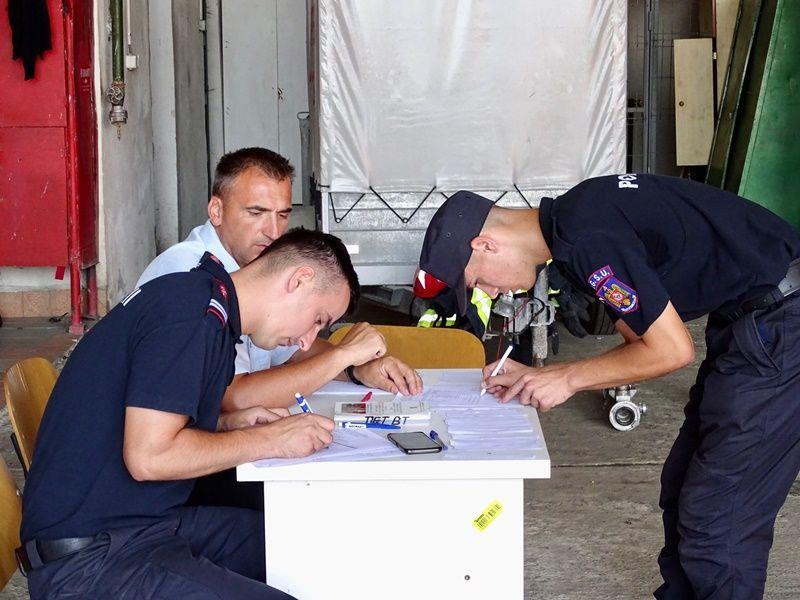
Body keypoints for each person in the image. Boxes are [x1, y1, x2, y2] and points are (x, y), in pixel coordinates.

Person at [415, 175, 800, 600]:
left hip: (783, 321)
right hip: (756, 322)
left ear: (485, 245)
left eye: (477, 283)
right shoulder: (574, 230)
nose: (490, 293)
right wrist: (542, 376)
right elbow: (641, 343)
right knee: (684, 491)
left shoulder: (586, 236)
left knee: (720, 518)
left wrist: (565, 378)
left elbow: (671, 351)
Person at [19, 229, 381, 599]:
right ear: (299, 279)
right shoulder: (190, 316)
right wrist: (269, 440)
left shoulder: (205, 304)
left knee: (306, 545)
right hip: (90, 561)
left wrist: (226, 424)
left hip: (145, 525)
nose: (308, 340)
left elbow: (146, 418)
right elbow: (149, 458)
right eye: (318, 319)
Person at [138, 147, 422, 409]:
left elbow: (291, 351)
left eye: (283, 215)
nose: (273, 231)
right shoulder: (191, 274)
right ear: (217, 211)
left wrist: (355, 368)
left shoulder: (252, 267)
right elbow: (233, 396)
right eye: (256, 212)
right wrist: (343, 356)